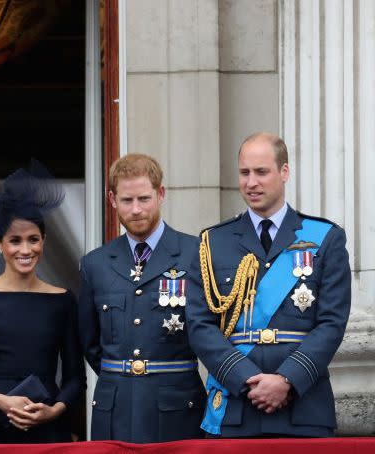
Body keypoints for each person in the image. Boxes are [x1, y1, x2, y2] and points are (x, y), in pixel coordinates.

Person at [187, 132, 350, 437]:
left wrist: (287, 380)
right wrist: (246, 379)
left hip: (303, 407)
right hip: (237, 407)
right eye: (245, 173)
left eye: (261, 172)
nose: (251, 183)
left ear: (284, 172)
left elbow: (332, 323)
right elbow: (199, 325)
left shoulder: (324, 237)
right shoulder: (213, 242)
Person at [0, 165, 84, 443]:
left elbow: (75, 379)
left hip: (45, 425)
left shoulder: (63, 300)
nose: (25, 250)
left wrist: (54, 410)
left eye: (33, 239)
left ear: (44, 240)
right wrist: (0, 401)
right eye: (15, 241)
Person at [77, 154, 205, 442]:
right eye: (126, 200)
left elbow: (210, 331)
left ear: (160, 194)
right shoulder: (95, 264)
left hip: (176, 408)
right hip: (116, 407)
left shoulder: (195, 254)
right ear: (112, 199)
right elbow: (90, 341)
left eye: (144, 199)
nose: (136, 210)